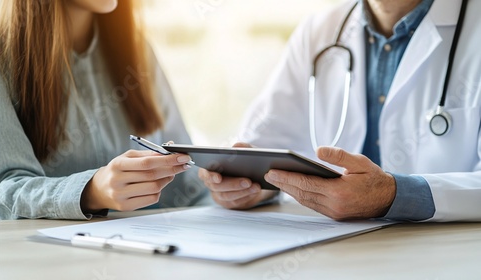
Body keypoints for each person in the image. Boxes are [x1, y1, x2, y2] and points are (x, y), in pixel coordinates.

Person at [199, 0, 481, 222]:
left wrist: (394, 195)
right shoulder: (318, 30)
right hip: (334, 253)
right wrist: (246, 187)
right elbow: (261, 144)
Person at [0, 0, 208, 220]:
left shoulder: (138, 49)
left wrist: (226, 193)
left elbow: (187, 185)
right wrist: (91, 191)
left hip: (145, 253)